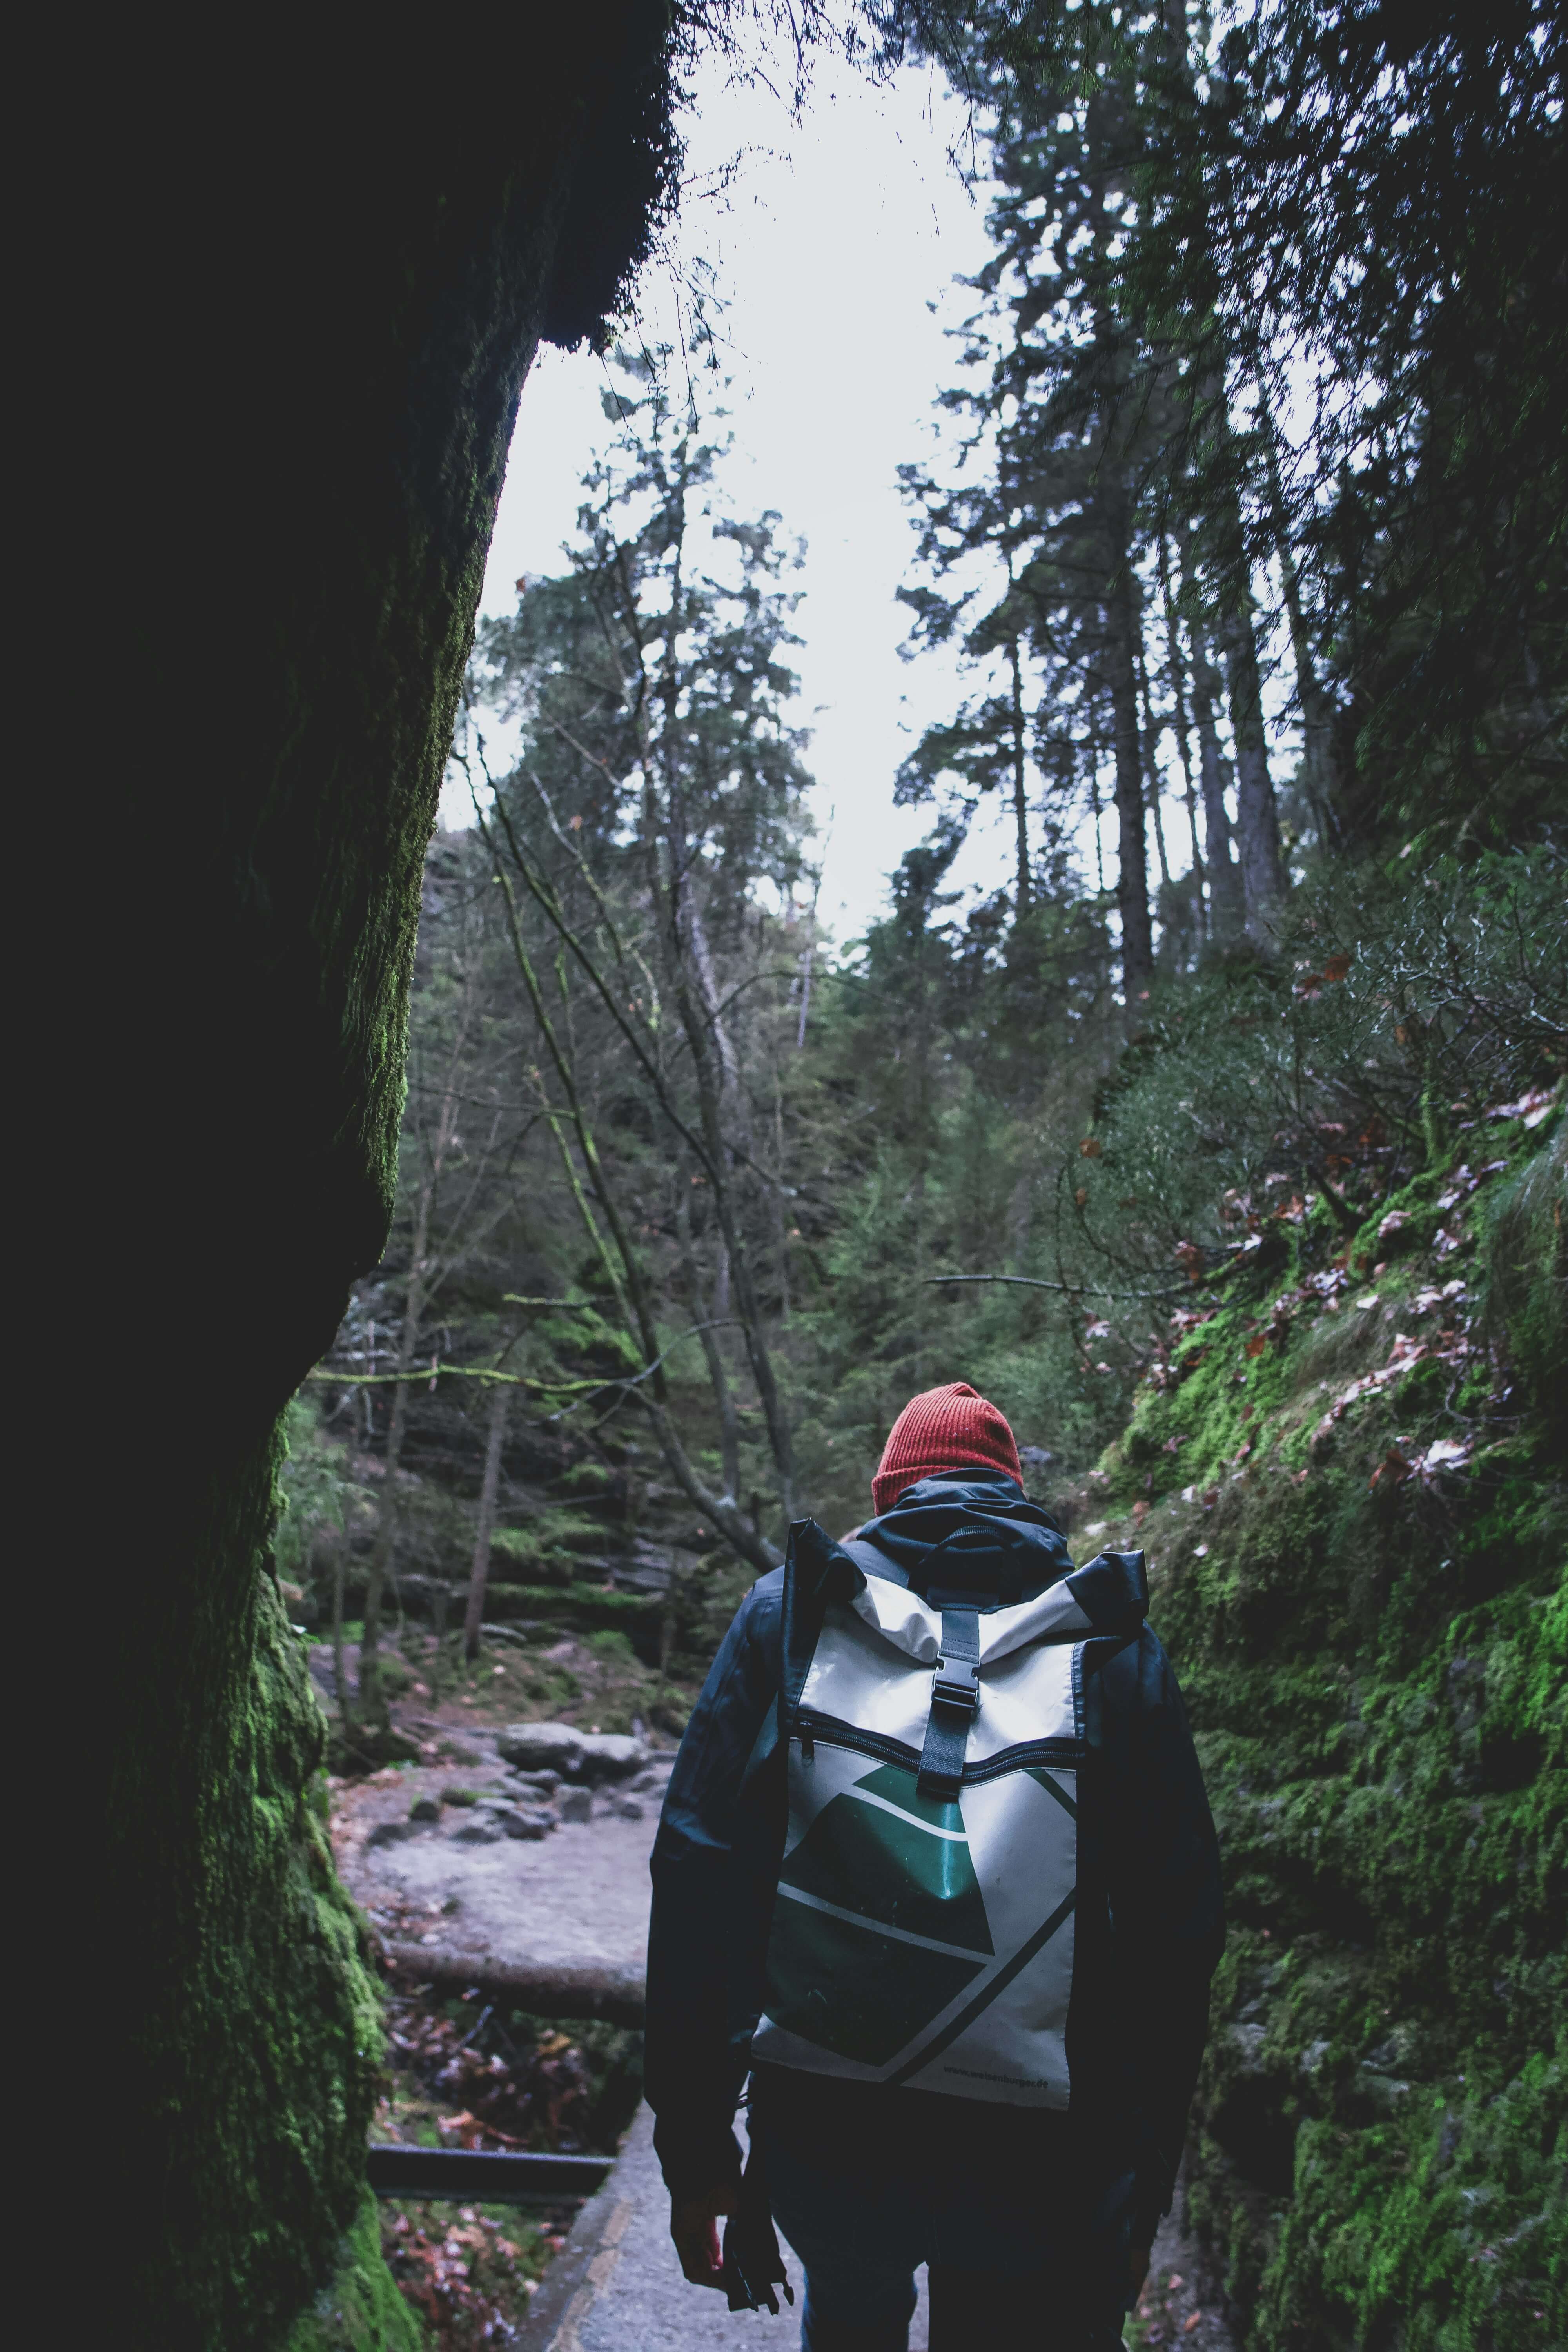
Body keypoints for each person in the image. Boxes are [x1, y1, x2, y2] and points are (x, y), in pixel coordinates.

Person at [645, 1381, 1224, 2351]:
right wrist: (1140, 2189)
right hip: (1041, 2160)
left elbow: (699, 1873)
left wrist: (696, 2147)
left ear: (887, 1501)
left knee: (853, 2312)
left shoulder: (794, 1618)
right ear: (1015, 1496)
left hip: (826, 2137)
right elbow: (1177, 1936)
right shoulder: (1110, 1648)